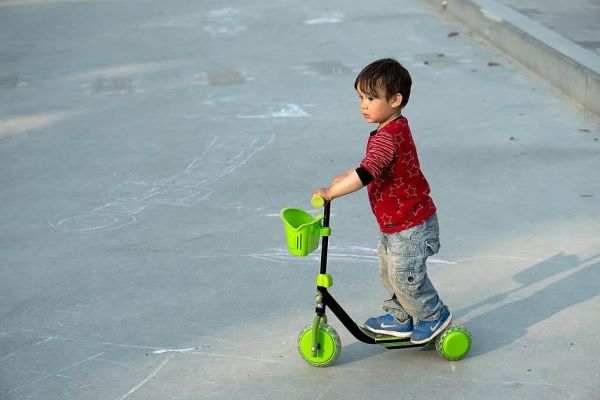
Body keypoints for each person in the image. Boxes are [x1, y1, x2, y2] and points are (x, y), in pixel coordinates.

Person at [312, 58, 451, 344]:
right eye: (361, 97)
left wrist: (331, 193)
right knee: (390, 274)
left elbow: (367, 172)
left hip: (411, 225)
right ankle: (402, 315)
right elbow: (369, 165)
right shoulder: (390, 129)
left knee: (405, 276)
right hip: (395, 223)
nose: (363, 104)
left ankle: (433, 315)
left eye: (371, 98)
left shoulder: (390, 137)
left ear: (396, 99)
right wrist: (343, 176)